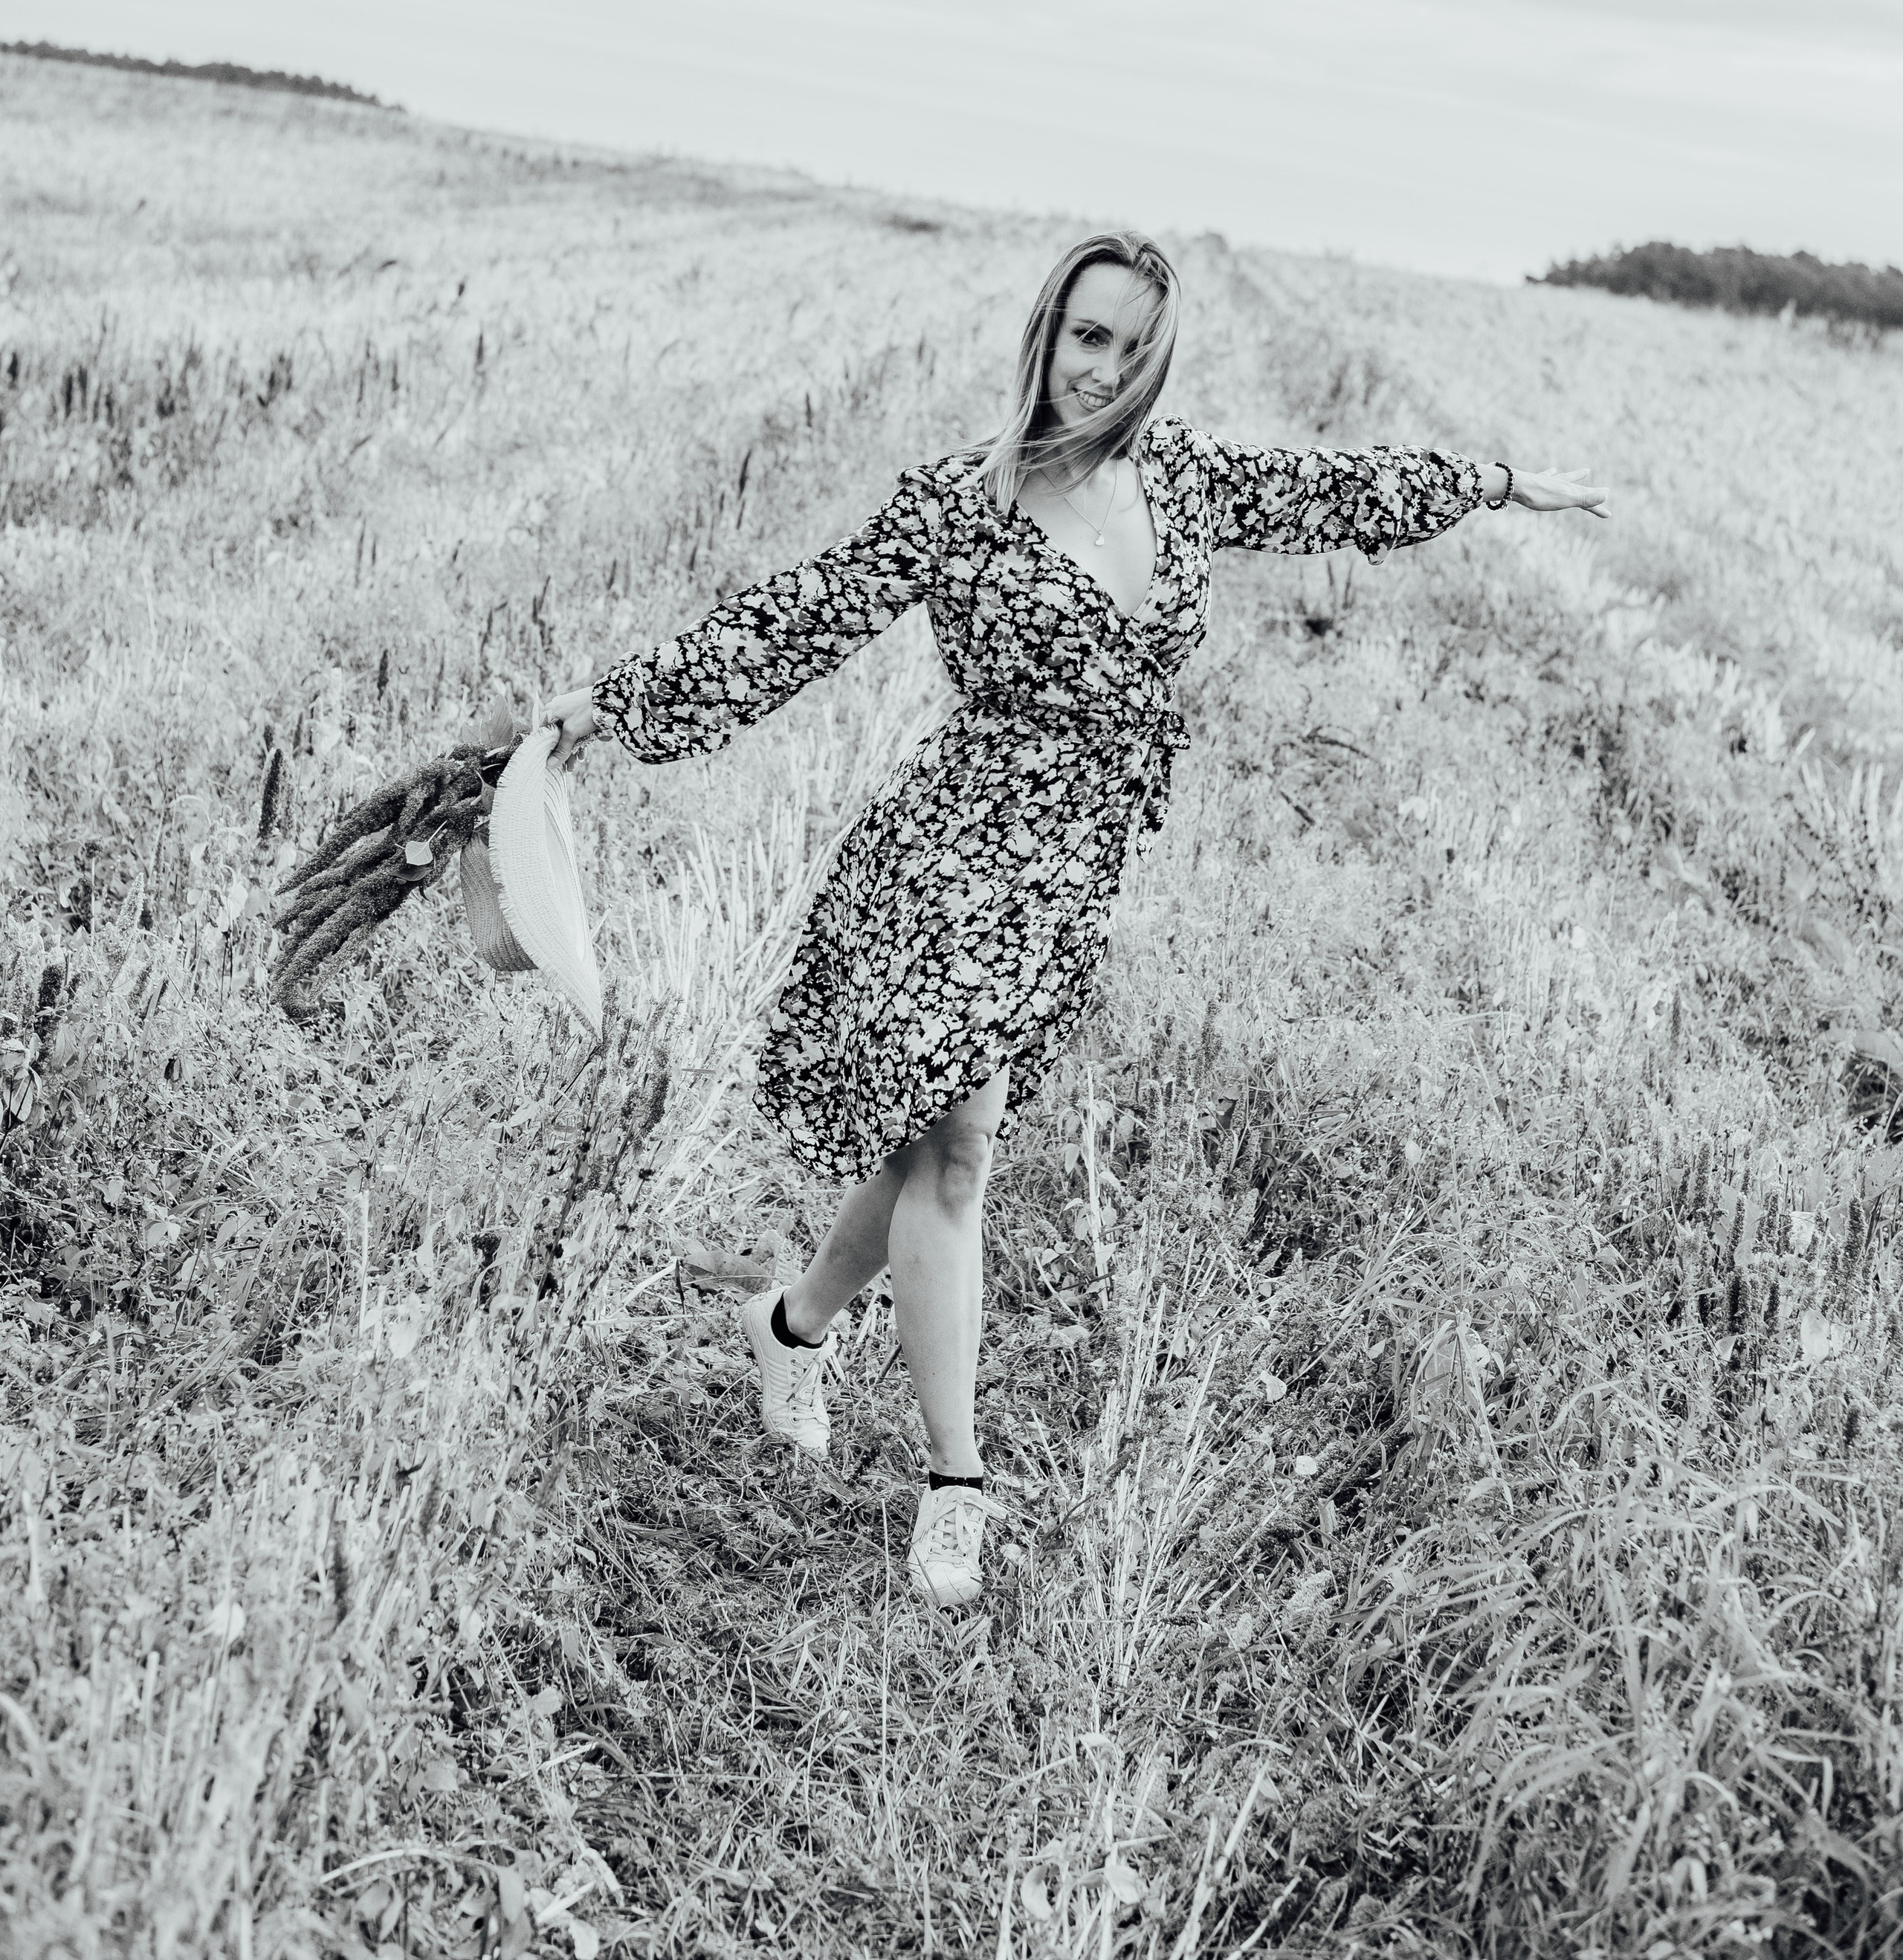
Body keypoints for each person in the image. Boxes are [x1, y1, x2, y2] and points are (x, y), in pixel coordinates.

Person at [545, 231, 1608, 1608]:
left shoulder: (1185, 482)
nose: (1103, 368)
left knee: (936, 1139)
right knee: (961, 1152)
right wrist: (617, 706)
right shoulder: (961, 502)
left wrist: (1503, 484)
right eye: (1086, 335)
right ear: (1046, 335)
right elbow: (793, 619)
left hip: (1069, 873)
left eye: (1132, 345)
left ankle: (793, 1322)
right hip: (949, 855)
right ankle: (956, 1481)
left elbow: (1340, 489)